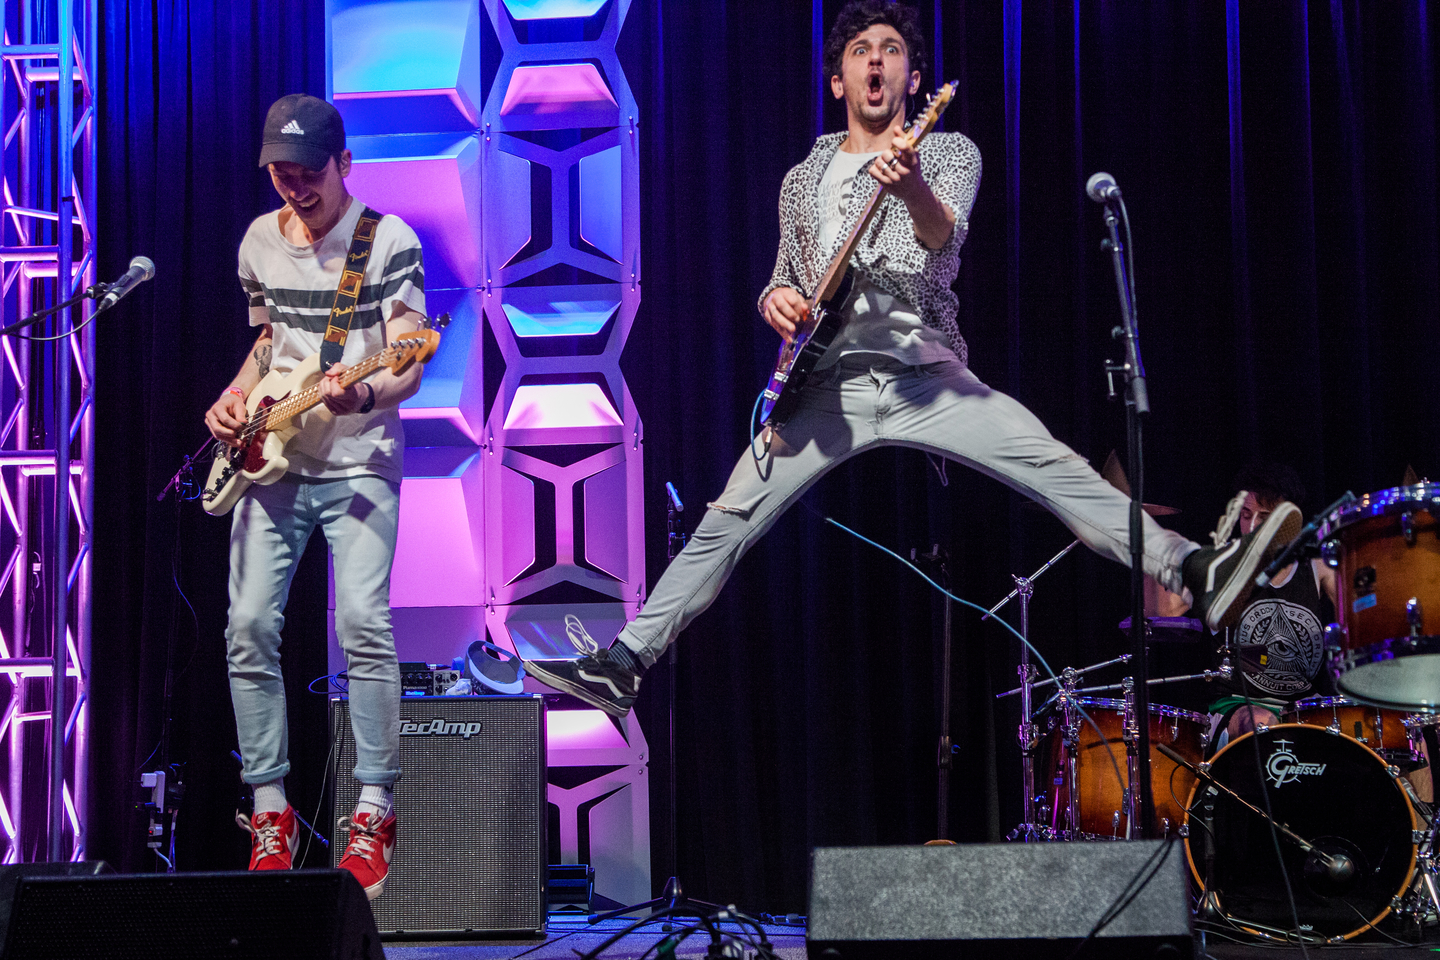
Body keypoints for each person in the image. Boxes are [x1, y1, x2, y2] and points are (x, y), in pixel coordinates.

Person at [524, 0, 1300, 719]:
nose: (876, 60)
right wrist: (775, 300)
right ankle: (626, 662)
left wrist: (914, 185)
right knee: (727, 518)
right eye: (861, 50)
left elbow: (941, 238)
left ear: (914, 79)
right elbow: (786, 276)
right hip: (825, 390)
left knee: (1057, 469)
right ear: (838, 79)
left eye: (891, 50)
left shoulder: (946, 151)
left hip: (927, 378)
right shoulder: (803, 179)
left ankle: (1194, 569)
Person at [203, 93, 426, 898]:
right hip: (275, 460)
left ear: (345, 164)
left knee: (362, 622)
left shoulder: (389, 241)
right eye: (281, 175)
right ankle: (271, 810)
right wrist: (235, 397)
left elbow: (409, 355)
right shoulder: (258, 242)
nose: (296, 189)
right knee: (247, 626)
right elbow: (269, 344)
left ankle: (373, 809)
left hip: (360, 459)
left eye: (309, 175)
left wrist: (362, 394)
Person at [1204, 463, 1338, 741]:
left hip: (1304, 706)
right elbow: (1163, 609)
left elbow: (1361, 618)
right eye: (1246, 515)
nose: (1252, 526)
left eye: (1264, 517)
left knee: (1400, 721)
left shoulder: (1317, 565)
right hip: (1238, 705)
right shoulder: (1220, 566)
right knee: (1262, 722)